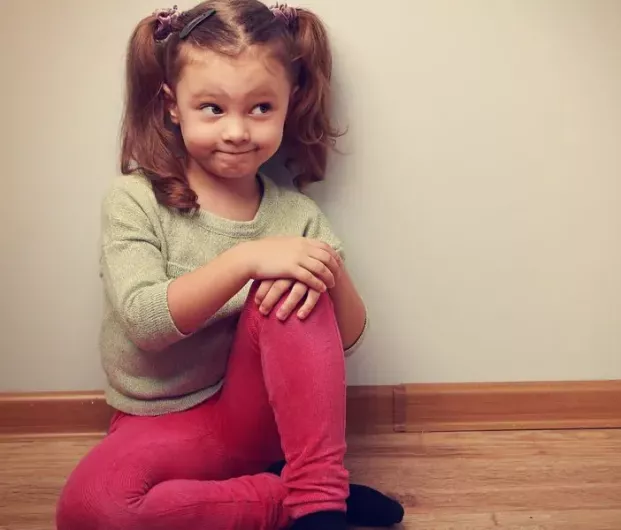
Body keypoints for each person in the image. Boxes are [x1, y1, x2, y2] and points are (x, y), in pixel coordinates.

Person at [55, 1, 404, 529]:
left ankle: (318, 503)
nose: (238, 131)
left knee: (295, 278)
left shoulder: (295, 216)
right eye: (213, 108)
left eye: (261, 107)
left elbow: (349, 336)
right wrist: (246, 259)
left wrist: (328, 270)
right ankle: (293, 496)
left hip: (258, 420)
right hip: (157, 424)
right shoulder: (134, 200)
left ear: (291, 103)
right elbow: (145, 323)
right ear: (173, 106)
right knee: (92, 510)